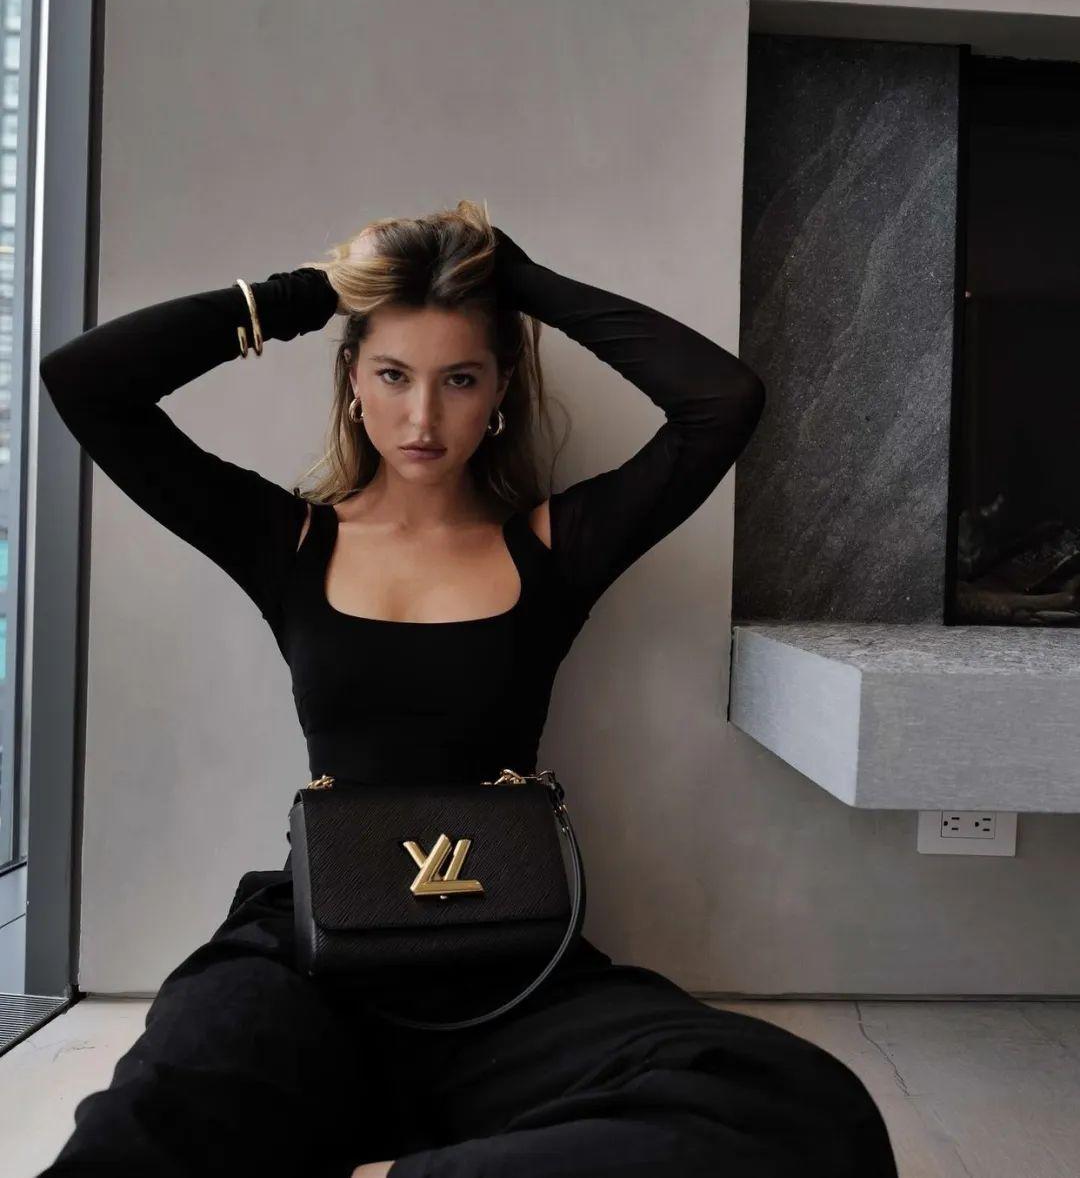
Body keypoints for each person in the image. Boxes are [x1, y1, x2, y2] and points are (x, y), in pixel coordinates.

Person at [35, 200, 898, 1177]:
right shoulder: (288, 541)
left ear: (498, 392)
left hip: (511, 961)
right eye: (393, 375)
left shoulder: (554, 547)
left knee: (802, 1109)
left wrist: (518, 282)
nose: (422, 416)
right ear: (352, 381)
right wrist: (317, 291)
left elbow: (722, 399)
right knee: (150, 1119)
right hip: (309, 950)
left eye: (458, 378)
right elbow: (87, 380)